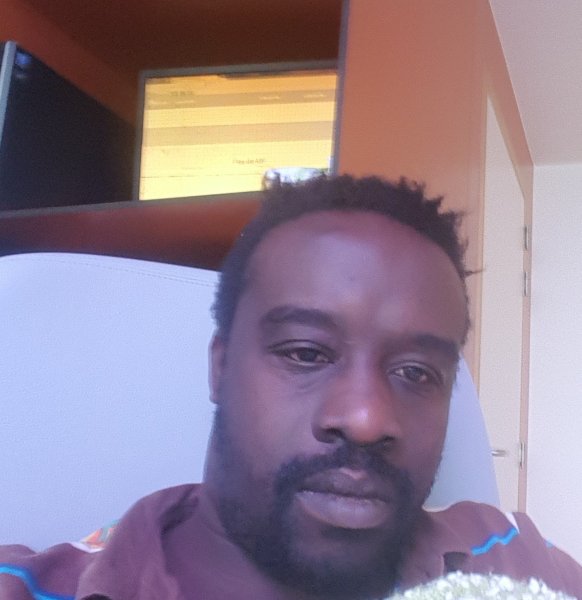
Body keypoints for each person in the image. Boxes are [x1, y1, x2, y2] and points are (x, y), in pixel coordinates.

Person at [1, 175, 581, 600]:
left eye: (416, 372)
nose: (365, 419)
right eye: (306, 352)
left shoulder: (513, 558)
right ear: (220, 367)